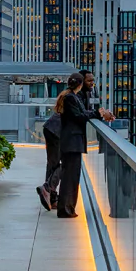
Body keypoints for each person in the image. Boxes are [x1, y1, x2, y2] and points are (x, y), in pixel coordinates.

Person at [38, 69, 100, 211]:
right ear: (81, 82)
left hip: (53, 129)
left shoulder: (75, 94)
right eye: (89, 81)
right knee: (64, 164)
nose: (92, 83)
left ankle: (50, 195)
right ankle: (48, 189)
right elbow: (82, 115)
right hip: (58, 131)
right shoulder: (75, 96)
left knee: (54, 164)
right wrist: (98, 113)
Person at [55, 72, 112, 218]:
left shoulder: (70, 97)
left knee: (71, 176)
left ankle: (67, 208)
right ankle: (66, 209)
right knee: (70, 177)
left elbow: (82, 113)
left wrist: (95, 112)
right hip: (72, 142)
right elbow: (79, 117)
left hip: (72, 142)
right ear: (80, 84)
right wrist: (98, 114)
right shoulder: (71, 98)